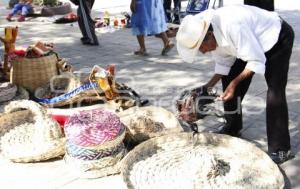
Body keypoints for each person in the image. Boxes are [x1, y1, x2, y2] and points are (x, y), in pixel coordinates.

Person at [176, 5, 294, 164]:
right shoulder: (209, 31)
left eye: (201, 48)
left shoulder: (233, 26)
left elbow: (256, 60)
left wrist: (235, 83)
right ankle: (232, 127)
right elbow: (224, 64)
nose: (203, 52)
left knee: (275, 91)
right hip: (248, 41)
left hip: (276, 37)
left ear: (209, 36)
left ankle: (281, 149)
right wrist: (207, 87)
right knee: (228, 80)